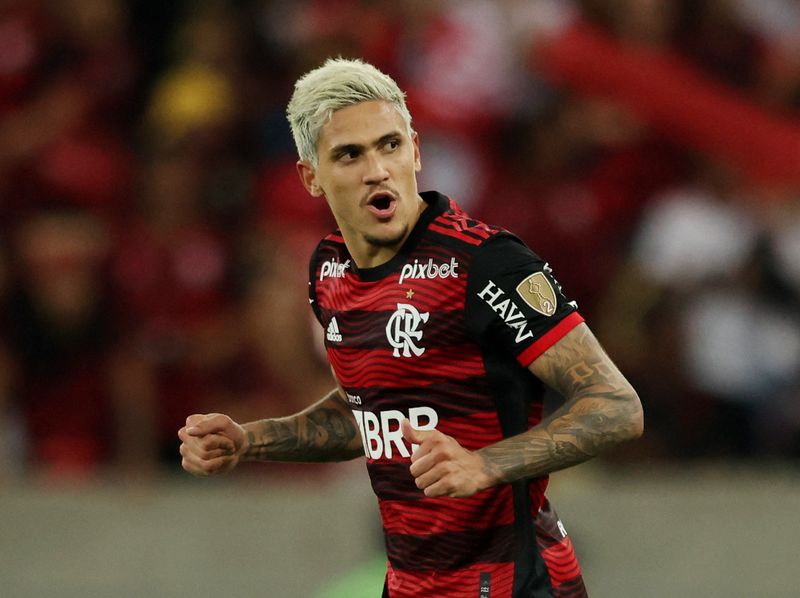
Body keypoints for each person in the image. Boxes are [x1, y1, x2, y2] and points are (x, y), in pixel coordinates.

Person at [178, 57, 644, 598]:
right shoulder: (329, 271)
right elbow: (370, 413)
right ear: (311, 177)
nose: (377, 169)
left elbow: (616, 406)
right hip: (414, 582)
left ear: (416, 150)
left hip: (515, 578)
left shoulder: (486, 264)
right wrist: (250, 439)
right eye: (349, 154)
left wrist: (484, 464)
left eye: (390, 145)